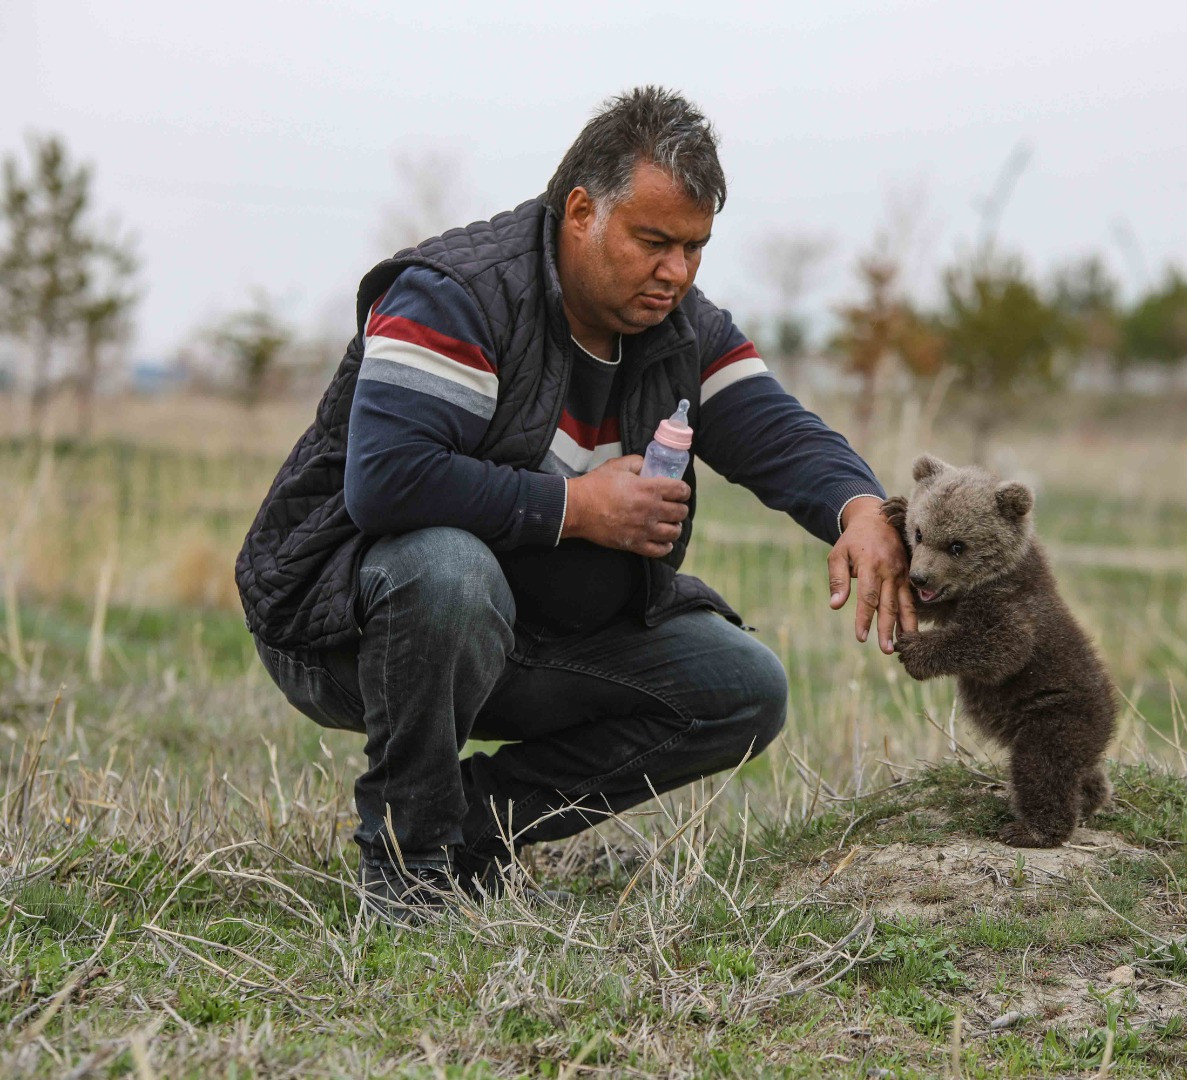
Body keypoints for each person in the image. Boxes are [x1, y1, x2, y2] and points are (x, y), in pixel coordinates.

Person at [235, 86, 914, 917]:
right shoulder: (460, 295)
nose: (676, 271)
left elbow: (776, 430)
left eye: (695, 247)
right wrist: (580, 509)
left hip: (533, 633)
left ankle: (472, 825)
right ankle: (408, 862)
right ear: (583, 211)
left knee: (744, 687)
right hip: (346, 629)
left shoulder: (682, 327)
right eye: (654, 242)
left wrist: (860, 508)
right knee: (448, 571)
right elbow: (388, 481)